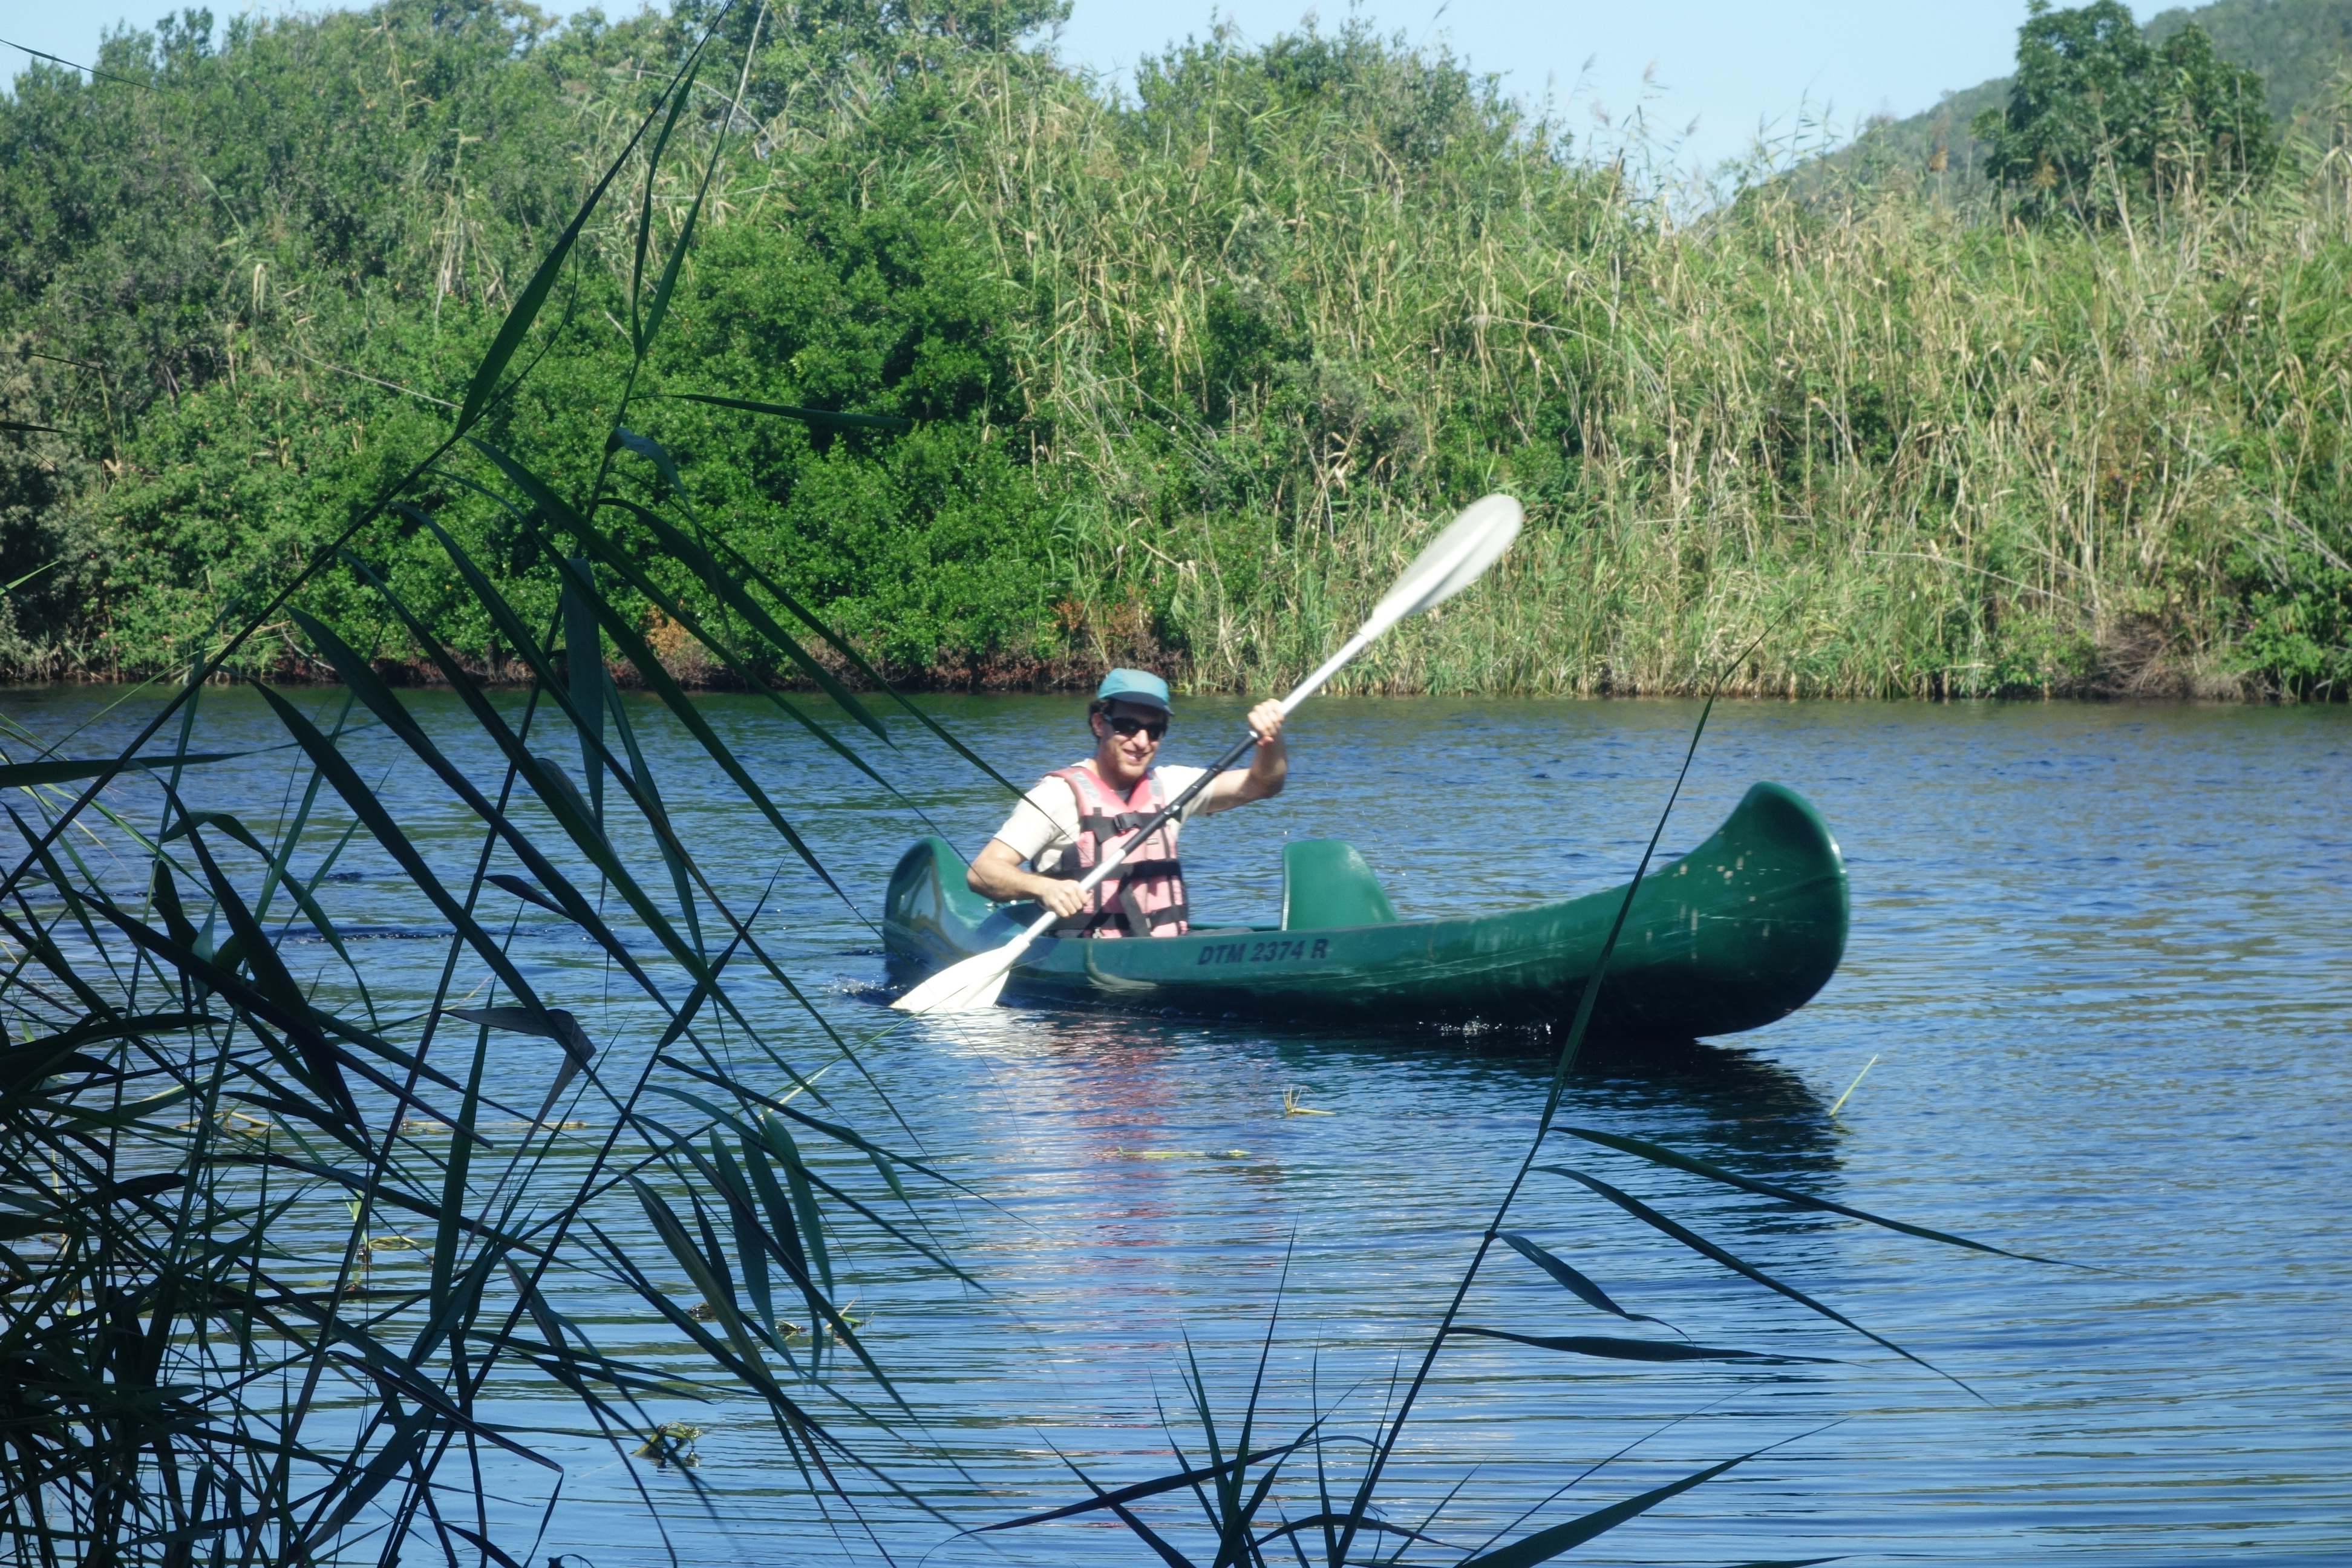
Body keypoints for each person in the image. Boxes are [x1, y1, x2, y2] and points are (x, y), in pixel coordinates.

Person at [966, 669, 1286, 938]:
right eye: (1127, 726)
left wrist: (1270, 740)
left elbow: (1263, 784)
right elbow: (983, 872)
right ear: (1098, 723)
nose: (1142, 741)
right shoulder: (1057, 795)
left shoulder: (1173, 786)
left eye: (1155, 730)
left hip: (1163, 952)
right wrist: (1044, 888)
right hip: (1086, 959)